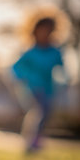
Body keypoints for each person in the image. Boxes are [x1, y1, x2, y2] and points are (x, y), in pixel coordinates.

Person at [12, 17, 68, 152]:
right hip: (32, 88)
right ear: (35, 31)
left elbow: (61, 69)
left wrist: (65, 82)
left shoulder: (55, 52)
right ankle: (32, 143)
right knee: (40, 111)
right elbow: (16, 68)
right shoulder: (30, 52)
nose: (45, 33)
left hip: (48, 88)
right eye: (42, 30)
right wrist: (24, 78)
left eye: (49, 30)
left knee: (45, 114)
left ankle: (33, 139)